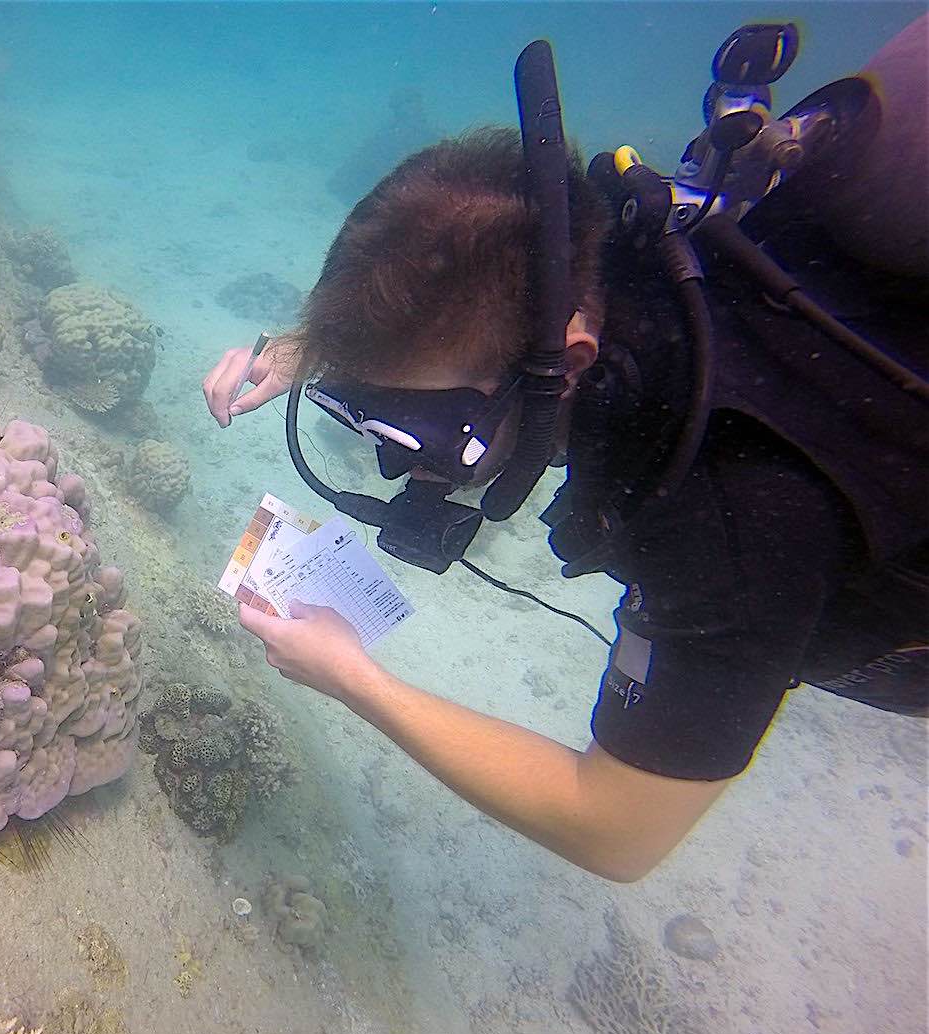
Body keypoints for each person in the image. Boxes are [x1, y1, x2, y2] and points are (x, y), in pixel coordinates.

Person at [199, 17, 928, 883]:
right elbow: (446, 307)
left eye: (414, 435)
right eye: (359, 414)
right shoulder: (589, 243)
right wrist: (321, 346)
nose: (395, 470)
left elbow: (616, 830)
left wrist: (358, 680)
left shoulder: (734, 517)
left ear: (568, 361)